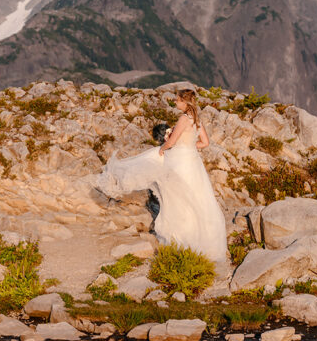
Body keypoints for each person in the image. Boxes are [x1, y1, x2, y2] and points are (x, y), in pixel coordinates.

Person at [95, 88, 228, 264]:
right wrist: (188, 146)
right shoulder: (197, 120)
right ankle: (203, 241)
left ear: (184, 102)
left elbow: (172, 141)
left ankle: (183, 240)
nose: (175, 102)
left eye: (177, 100)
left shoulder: (183, 118)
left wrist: (163, 149)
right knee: (196, 198)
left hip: (180, 161)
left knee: (177, 199)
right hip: (193, 162)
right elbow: (205, 143)